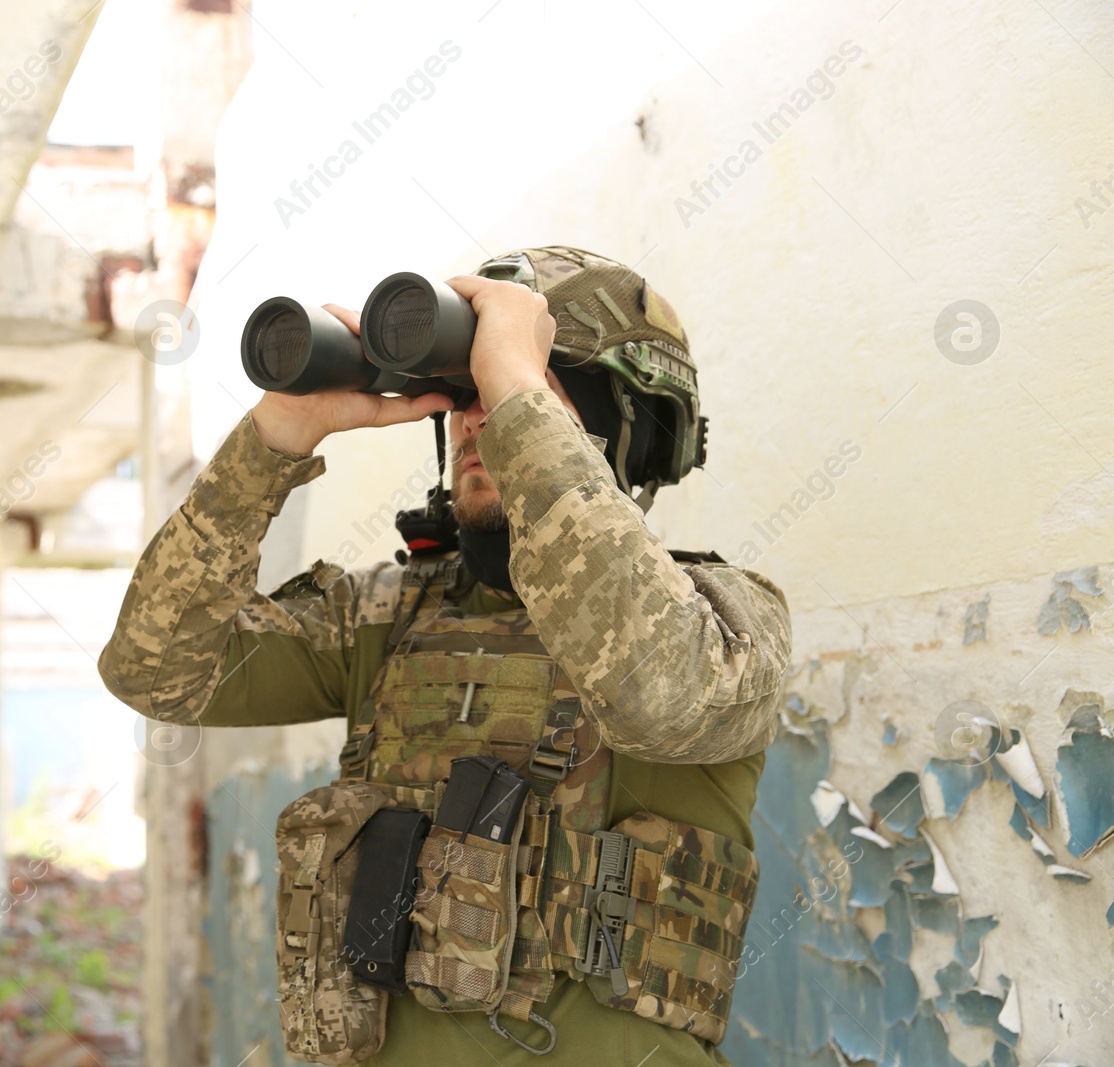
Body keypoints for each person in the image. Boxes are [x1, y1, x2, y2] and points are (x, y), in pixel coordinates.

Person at [99, 247, 792, 1065]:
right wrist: (270, 446)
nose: (477, 417)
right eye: (465, 393)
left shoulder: (728, 617)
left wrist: (517, 396)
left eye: (513, 387)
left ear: (630, 429)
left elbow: (659, 685)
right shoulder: (386, 616)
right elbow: (152, 668)